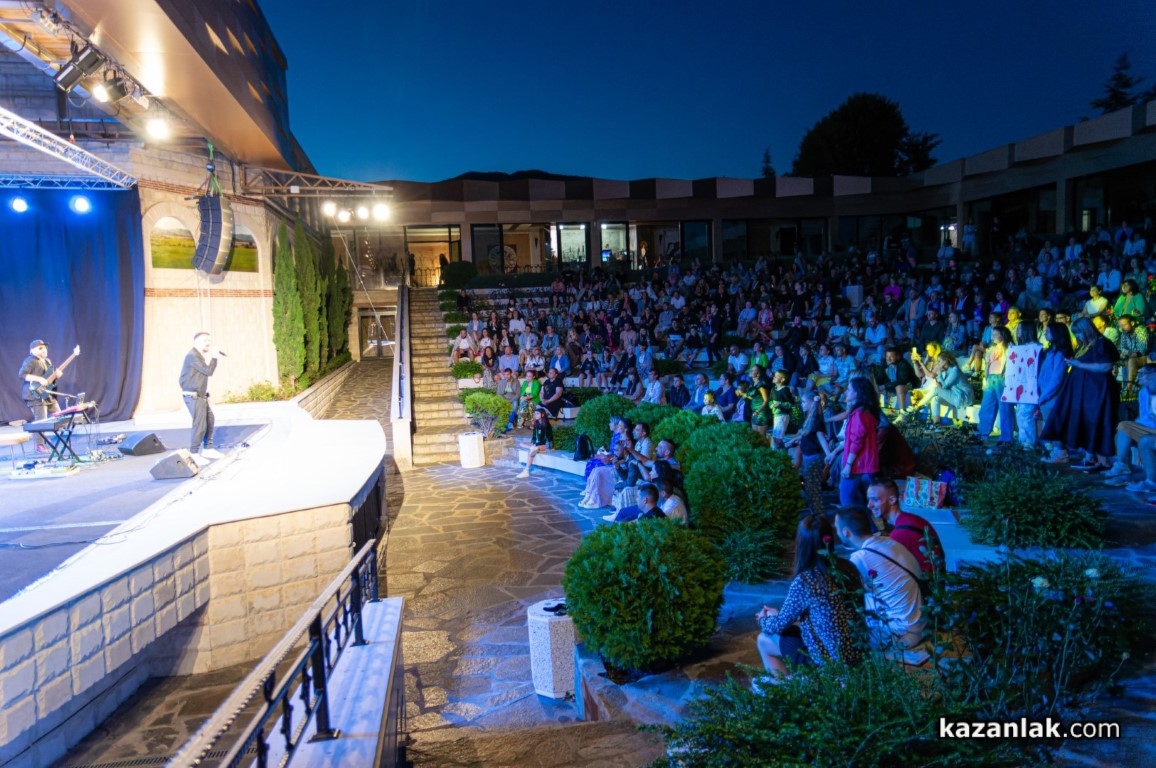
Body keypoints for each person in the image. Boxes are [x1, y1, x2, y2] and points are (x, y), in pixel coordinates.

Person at [756, 515, 863, 679]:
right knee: (791, 631)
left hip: (827, 662)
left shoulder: (807, 580)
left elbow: (776, 626)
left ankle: (782, 688)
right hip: (858, 654)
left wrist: (764, 619)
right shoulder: (849, 568)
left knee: (764, 639)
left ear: (801, 544)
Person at [835, 505, 926, 650]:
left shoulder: (860, 558)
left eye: (836, 528)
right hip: (920, 623)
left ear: (846, 532)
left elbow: (848, 596)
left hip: (900, 633)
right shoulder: (888, 541)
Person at [1040, 317, 1120, 471]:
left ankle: (1098, 459)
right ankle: (1090, 456)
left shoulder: (1102, 343)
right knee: (1085, 421)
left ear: (1086, 330)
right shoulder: (1085, 345)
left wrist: (1079, 364)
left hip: (1097, 390)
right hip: (1084, 389)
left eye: (1079, 333)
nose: (1077, 336)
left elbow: (1105, 366)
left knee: (1095, 420)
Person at [867, 479, 944, 576]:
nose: (869, 505)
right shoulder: (912, 519)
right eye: (868, 500)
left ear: (892, 500)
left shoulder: (899, 534)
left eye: (875, 500)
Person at [180, 332, 224, 463]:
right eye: (205, 340)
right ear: (197, 342)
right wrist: (214, 357)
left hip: (200, 395)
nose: (208, 343)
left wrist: (206, 393)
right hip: (193, 396)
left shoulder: (198, 356)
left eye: (209, 340)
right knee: (200, 424)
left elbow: (198, 377)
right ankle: (193, 453)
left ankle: (208, 449)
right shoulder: (192, 356)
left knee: (210, 420)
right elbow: (208, 371)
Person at [837, 378, 881, 506]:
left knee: (846, 500)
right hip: (867, 465)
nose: (846, 392)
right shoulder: (867, 412)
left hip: (858, 465)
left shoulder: (859, 414)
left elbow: (856, 442)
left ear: (857, 393)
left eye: (849, 389)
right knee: (864, 503)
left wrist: (848, 465)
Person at [19, 339, 65, 421]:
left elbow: (48, 380)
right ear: (32, 351)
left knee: (59, 418)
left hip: (47, 394)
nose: (44, 350)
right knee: (42, 422)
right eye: (40, 348)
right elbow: (22, 375)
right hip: (35, 395)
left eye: (45, 347)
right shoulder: (30, 361)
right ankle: (39, 430)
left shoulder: (48, 361)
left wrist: (56, 376)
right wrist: (39, 379)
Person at [516, 407, 553, 479]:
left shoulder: (547, 425)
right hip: (536, 444)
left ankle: (526, 471)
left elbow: (548, 438)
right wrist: (533, 443)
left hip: (545, 445)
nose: (535, 415)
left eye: (537, 414)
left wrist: (540, 446)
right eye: (535, 414)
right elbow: (534, 437)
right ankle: (533, 448)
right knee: (522, 443)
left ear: (542, 415)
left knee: (533, 450)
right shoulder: (536, 424)